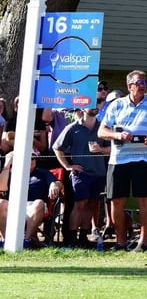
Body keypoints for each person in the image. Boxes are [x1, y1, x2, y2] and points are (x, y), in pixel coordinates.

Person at [100, 69, 147, 251]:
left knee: (144, 200)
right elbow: (102, 131)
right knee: (116, 200)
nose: (143, 86)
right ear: (130, 86)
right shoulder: (116, 105)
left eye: (145, 83)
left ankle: (144, 242)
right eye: (139, 83)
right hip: (119, 158)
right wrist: (118, 135)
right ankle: (120, 242)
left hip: (144, 158)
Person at [52, 105, 108, 247]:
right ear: (83, 108)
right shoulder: (72, 127)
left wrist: (101, 149)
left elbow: (112, 148)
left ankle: (83, 237)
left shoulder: (103, 127)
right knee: (80, 204)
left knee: (91, 204)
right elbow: (56, 147)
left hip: (99, 172)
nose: (96, 106)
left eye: (99, 102)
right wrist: (68, 166)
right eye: (92, 103)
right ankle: (71, 240)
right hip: (80, 173)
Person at [0, 150, 62, 248]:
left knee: (39, 203)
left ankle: (26, 241)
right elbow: (1, 188)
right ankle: (5, 241)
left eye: (33, 158)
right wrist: (7, 165)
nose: (31, 160)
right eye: (27, 157)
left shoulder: (43, 173)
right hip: (13, 205)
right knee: (1, 202)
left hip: (34, 207)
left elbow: (59, 183)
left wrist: (54, 184)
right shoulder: (12, 173)